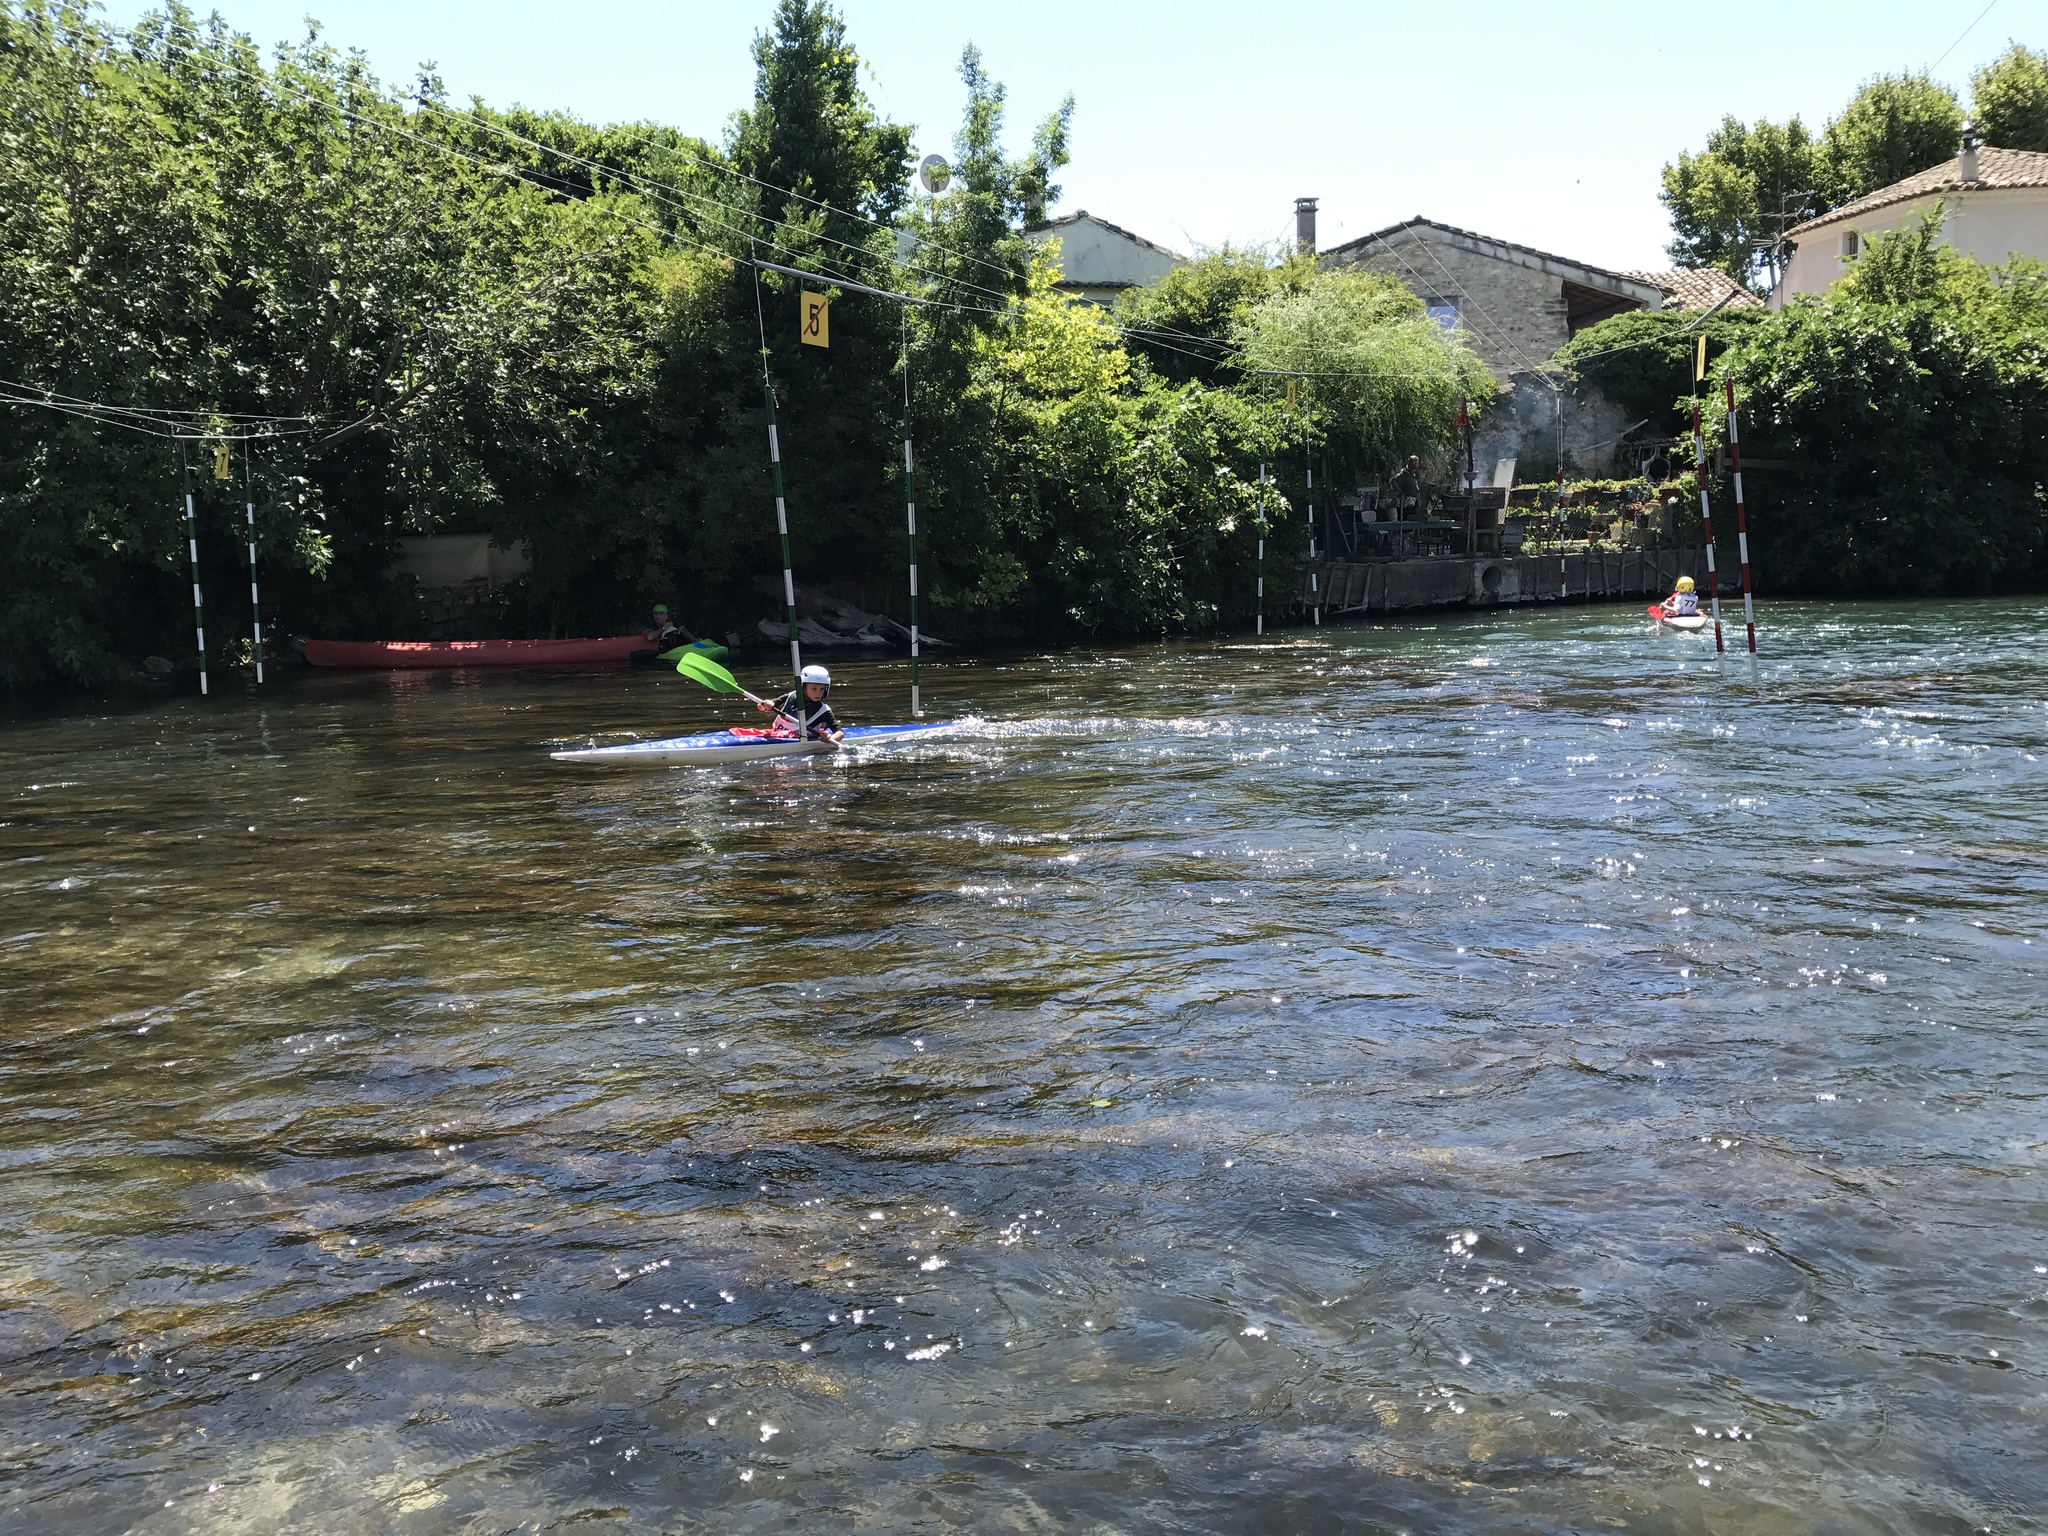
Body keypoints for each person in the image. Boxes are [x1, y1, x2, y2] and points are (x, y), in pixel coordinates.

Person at [757, 663, 843, 742]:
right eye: (814, 689)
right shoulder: (791, 696)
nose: (818, 693)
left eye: (822, 689)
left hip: (801, 740)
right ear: (803, 687)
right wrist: (766, 705)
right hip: (778, 736)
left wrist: (830, 739)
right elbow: (763, 706)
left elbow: (840, 733)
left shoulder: (824, 711)